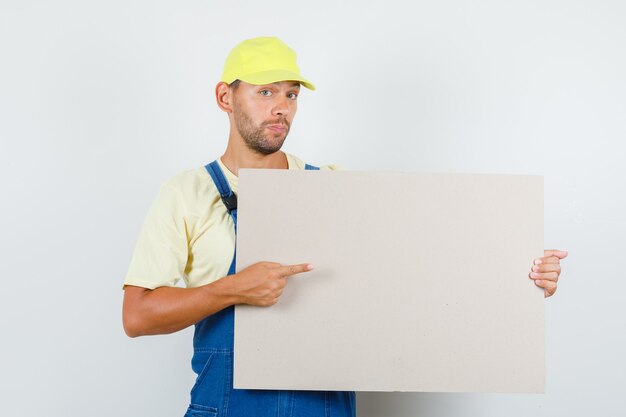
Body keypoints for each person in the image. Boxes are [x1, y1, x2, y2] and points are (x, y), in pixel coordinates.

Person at [122, 36, 567, 417]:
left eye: (292, 95)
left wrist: (518, 281)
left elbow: (414, 276)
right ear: (225, 97)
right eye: (266, 92)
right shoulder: (186, 193)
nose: (281, 108)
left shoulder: (335, 189)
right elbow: (137, 315)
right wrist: (235, 289)